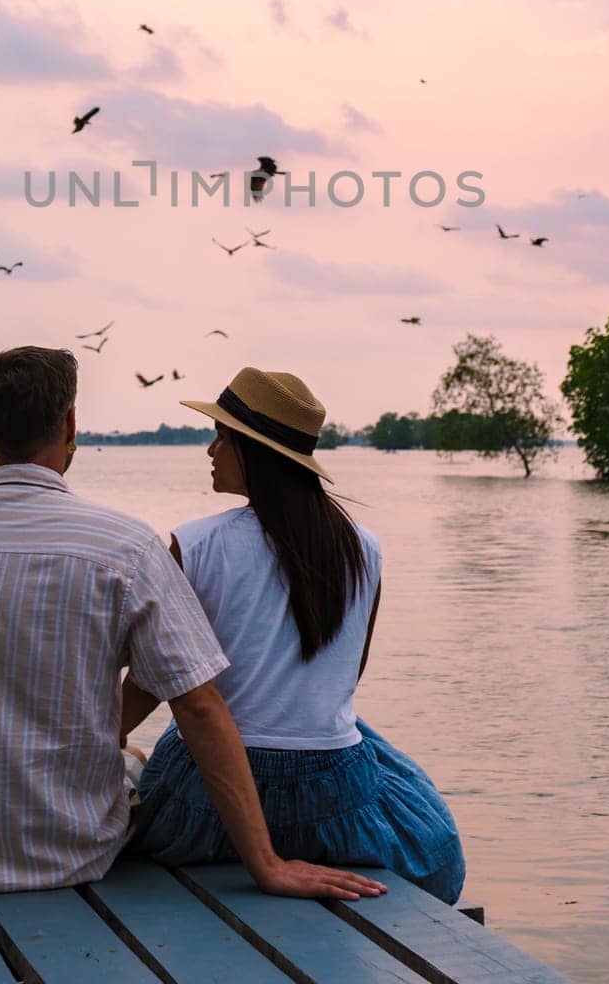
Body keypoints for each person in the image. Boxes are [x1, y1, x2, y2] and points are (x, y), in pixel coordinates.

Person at [0, 345, 385, 901]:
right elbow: (203, 704)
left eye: (221, 435)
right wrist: (268, 865)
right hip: (63, 853)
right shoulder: (126, 548)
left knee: (131, 755)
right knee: (133, 761)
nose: (211, 448)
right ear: (71, 425)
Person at [123, 366, 465, 904]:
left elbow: (148, 685)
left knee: (150, 756)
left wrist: (101, 739)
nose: (210, 450)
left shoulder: (195, 546)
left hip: (209, 802)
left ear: (252, 451)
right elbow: (344, 676)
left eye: (222, 438)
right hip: (333, 798)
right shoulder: (363, 548)